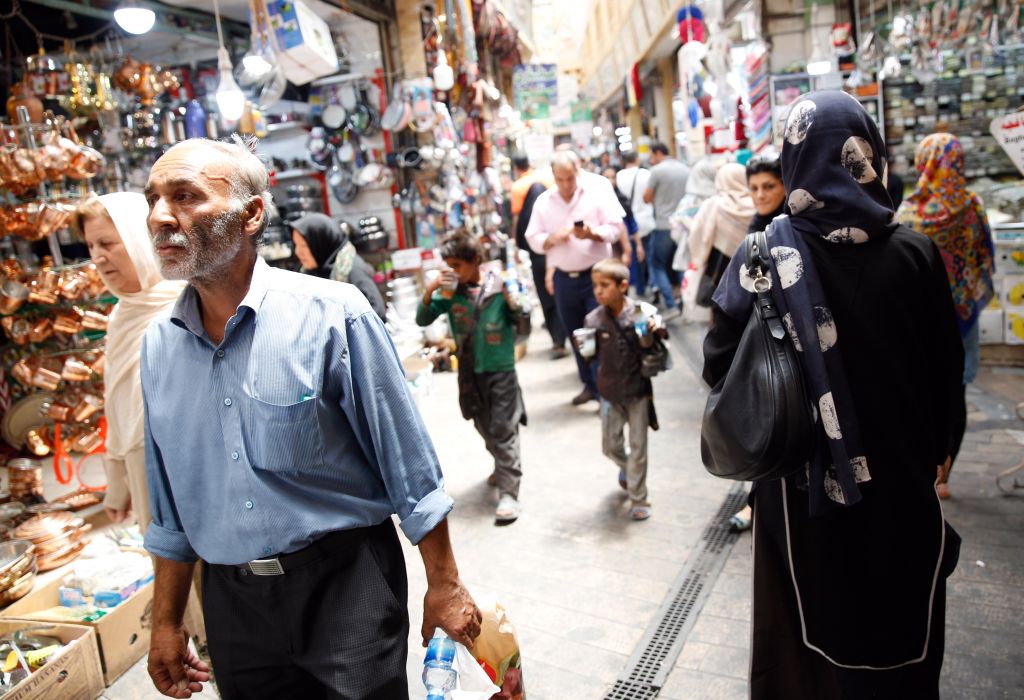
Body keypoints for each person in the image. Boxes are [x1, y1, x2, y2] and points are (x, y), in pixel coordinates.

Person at [140, 137, 481, 700]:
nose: (159, 217)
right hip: (231, 601)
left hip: (346, 584)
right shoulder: (158, 348)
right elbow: (170, 506)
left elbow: (410, 468)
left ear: (251, 214)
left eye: (185, 196)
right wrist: (166, 619)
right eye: (153, 199)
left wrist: (444, 585)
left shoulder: (333, 315)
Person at [704, 91, 963, 698]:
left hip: (799, 487)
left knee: (802, 627)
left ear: (795, 159)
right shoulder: (915, 253)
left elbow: (720, 367)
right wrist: (940, 447)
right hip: (900, 479)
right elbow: (946, 375)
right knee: (899, 615)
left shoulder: (761, 256)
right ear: (868, 154)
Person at [73, 192, 186, 531]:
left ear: (141, 240)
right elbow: (119, 404)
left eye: (107, 243)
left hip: (188, 471)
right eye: (92, 247)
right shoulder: (122, 316)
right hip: (143, 471)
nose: (98, 258)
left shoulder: (186, 305)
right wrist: (119, 487)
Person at [897, 133, 995, 499]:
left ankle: (923, 465)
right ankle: (946, 475)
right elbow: (984, 253)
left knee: (921, 391)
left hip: (920, 319)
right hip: (961, 312)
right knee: (957, 392)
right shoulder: (972, 206)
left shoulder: (910, 212)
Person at [416, 234, 529, 523]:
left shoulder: (499, 287)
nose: (452, 271)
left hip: (500, 368)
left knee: (503, 429)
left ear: (475, 261)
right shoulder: (450, 294)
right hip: (469, 372)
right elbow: (423, 319)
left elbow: (524, 323)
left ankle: (509, 493)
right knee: (482, 424)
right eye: (448, 265)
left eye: (457, 265)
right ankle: (503, 466)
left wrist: (514, 302)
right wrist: (430, 291)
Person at [526, 150, 625, 406]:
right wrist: (550, 239)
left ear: (577, 171)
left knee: (601, 331)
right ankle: (589, 385)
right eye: (560, 179)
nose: (566, 185)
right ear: (554, 177)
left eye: (570, 178)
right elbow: (532, 238)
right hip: (564, 279)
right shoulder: (544, 202)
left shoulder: (596, 190)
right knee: (577, 334)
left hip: (597, 276)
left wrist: (593, 234)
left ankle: (606, 389)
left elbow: (615, 228)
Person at [584, 258, 662, 521]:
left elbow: (654, 344)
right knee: (610, 446)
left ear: (623, 285)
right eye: (595, 285)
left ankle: (638, 497)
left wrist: (654, 329)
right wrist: (583, 346)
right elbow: (589, 357)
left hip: (638, 390)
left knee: (639, 445)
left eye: (604, 285)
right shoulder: (593, 319)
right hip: (609, 392)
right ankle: (629, 470)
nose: (598, 291)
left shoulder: (642, 312)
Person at [511, 153, 567, 359]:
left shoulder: (518, 187)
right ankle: (564, 336)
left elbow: (517, 220)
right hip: (559, 246)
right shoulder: (548, 181)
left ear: (517, 167)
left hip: (538, 250)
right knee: (559, 291)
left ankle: (558, 340)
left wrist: (516, 247)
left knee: (546, 295)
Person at [290, 213, 386, 321]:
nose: (298, 252)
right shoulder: (307, 274)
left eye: (303, 245)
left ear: (320, 242)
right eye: (296, 244)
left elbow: (377, 314)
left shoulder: (352, 270)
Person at [686, 163, 756, 305]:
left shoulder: (713, 204)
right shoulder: (756, 204)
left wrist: (698, 257)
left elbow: (697, 235)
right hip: (751, 266)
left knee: (719, 306)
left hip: (719, 265)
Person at [643, 142, 690, 313]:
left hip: (663, 224)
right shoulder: (685, 168)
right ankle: (685, 302)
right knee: (682, 263)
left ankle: (670, 304)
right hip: (683, 224)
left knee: (657, 265)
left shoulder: (657, 171)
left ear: (657, 153)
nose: (650, 159)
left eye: (651, 155)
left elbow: (646, 197)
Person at [616, 150, 655, 295]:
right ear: (637, 159)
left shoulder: (618, 176)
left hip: (629, 224)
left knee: (635, 260)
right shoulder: (646, 174)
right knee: (650, 258)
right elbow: (650, 196)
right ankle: (653, 285)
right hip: (646, 220)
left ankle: (639, 290)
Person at [601, 166, 635, 267]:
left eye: (613, 177)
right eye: (607, 177)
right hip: (603, 249)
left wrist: (627, 249)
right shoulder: (597, 198)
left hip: (619, 246)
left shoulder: (621, 198)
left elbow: (623, 224)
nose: (610, 181)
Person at [746, 153, 786, 233]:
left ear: (785, 187)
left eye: (769, 186)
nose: (760, 195)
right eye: (754, 188)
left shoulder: (796, 227)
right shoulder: (756, 225)